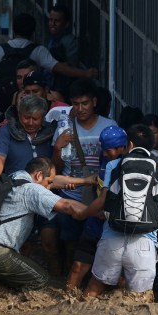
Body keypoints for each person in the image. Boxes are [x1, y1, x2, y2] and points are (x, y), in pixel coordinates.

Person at [73, 124, 158, 298]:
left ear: (129, 144)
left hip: (111, 239)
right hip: (144, 244)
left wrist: (81, 214)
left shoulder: (114, 165)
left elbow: (102, 201)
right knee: (140, 301)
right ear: (152, 145)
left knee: (93, 289)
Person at [0, 157, 87, 290]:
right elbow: (67, 206)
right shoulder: (31, 190)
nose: (48, 188)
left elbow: (54, 180)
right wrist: (96, 212)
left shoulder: (13, 178)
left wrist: (86, 181)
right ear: (38, 175)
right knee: (42, 280)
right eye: (48, 183)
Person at [0, 13, 97, 124]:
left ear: (13, 29)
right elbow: (59, 68)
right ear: (33, 33)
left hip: (3, 109)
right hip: (33, 112)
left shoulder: (0, 49)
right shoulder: (38, 51)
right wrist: (85, 74)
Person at [51, 78, 118, 272]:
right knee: (70, 242)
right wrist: (57, 148)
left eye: (84, 103)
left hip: (99, 198)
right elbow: (56, 167)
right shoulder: (64, 128)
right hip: (70, 196)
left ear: (94, 102)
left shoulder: (109, 126)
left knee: (98, 244)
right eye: (75, 104)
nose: (80, 109)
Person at [65, 125, 128, 291]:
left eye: (109, 151)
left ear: (123, 147)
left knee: (120, 279)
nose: (105, 154)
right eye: (104, 150)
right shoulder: (105, 158)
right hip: (95, 223)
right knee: (78, 266)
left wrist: (85, 213)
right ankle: (64, 306)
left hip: (117, 227)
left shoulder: (130, 166)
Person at [47, 4, 80, 99]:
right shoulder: (52, 37)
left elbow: (72, 66)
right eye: (51, 20)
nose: (52, 24)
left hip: (62, 88)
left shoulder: (69, 41)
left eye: (56, 21)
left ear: (66, 24)